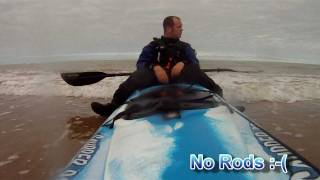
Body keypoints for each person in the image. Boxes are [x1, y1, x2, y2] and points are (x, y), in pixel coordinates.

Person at [91, 16, 223, 117]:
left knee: (195, 70)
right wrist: (155, 67)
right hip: (157, 79)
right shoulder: (153, 46)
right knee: (137, 76)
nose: (182, 29)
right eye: (179, 27)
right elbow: (141, 63)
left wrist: (183, 63)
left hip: (180, 78)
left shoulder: (186, 47)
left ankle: (221, 98)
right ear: (170, 28)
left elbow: (194, 62)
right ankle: (112, 107)